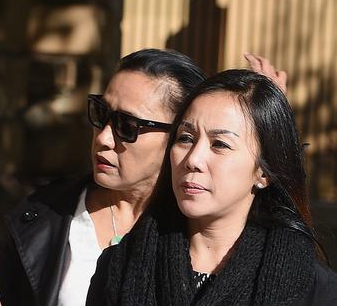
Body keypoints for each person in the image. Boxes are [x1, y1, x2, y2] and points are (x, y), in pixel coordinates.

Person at [87, 69, 337, 305]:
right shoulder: (119, 266)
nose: (193, 160)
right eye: (185, 139)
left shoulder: (313, 288)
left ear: (263, 171)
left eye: (220, 144)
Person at [0, 49, 207, 306]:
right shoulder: (43, 216)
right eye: (101, 114)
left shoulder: (205, 229)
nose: (103, 138)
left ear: (179, 137)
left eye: (127, 126)